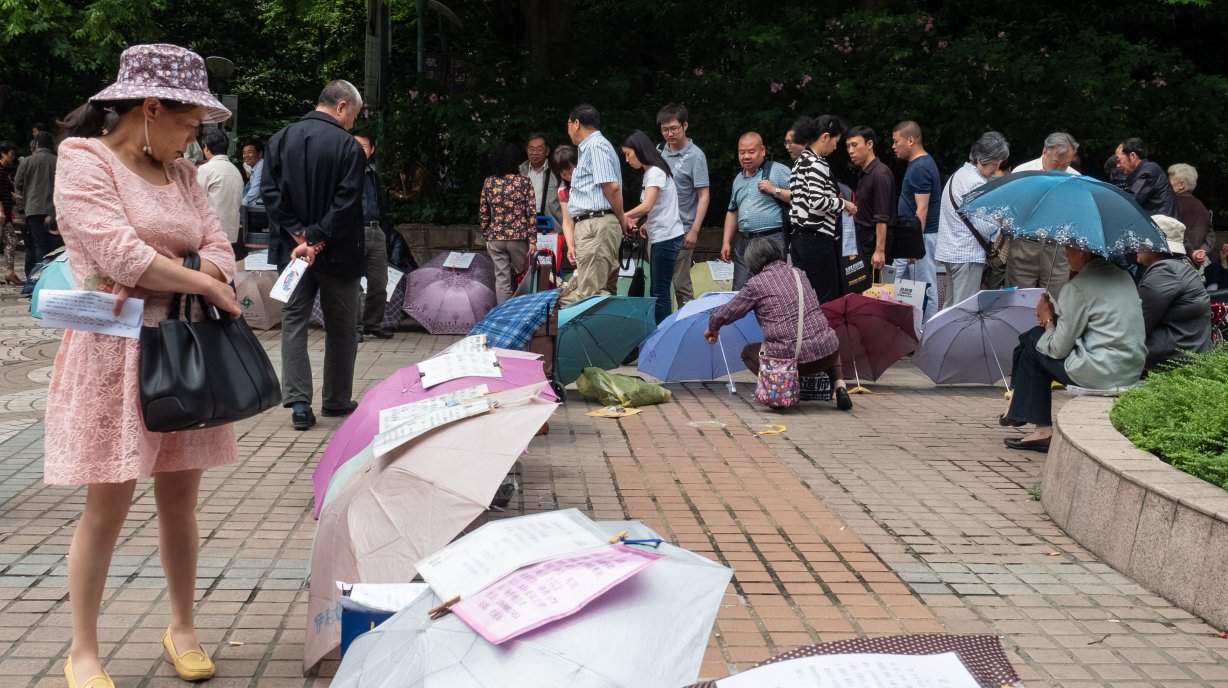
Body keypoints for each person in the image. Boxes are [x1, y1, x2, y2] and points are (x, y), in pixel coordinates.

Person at [48, 43, 243, 688]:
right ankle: (83, 650)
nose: (194, 140)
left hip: (185, 350)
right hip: (113, 353)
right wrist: (206, 284)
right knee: (107, 504)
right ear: (151, 108)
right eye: (189, 124)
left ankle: (182, 627)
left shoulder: (184, 175)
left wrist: (195, 275)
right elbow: (117, 253)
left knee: (181, 500)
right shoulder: (83, 162)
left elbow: (221, 247)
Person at [263, 79, 366, 431]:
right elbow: (347, 201)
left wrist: (299, 234)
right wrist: (317, 237)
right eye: (353, 114)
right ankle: (337, 400)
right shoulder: (348, 146)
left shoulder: (279, 139)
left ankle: (299, 404)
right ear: (340, 107)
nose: (353, 122)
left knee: (293, 323)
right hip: (337, 253)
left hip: (293, 253)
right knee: (342, 328)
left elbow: (269, 194)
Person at [1000, 247, 1146, 452]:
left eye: (1069, 251)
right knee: (1033, 342)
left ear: (1082, 252)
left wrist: (1047, 319)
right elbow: (1099, 324)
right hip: (1130, 367)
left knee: (1032, 340)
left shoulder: (1078, 287)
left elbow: (1058, 349)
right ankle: (1021, 409)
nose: (1066, 256)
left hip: (1098, 371)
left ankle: (1028, 415)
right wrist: (1058, 321)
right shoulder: (1124, 276)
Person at [705, 237, 852, 411]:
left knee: (747, 353)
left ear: (752, 262)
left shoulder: (756, 284)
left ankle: (780, 390)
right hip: (826, 355)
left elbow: (730, 310)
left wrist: (713, 326)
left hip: (789, 362)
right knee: (825, 337)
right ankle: (840, 386)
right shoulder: (799, 273)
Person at [557, 104, 628, 307]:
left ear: (576, 124)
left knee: (590, 293)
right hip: (596, 224)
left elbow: (611, 187)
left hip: (595, 223)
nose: (568, 128)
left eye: (569, 124)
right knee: (600, 289)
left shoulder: (595, 145)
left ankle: (588, 338)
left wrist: (621, 217)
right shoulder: (591, 147)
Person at [935, 132, 1011, 307]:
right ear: (983, 159)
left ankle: (944, 335)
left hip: (952, 251)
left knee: (951, 306)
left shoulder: (960, 175)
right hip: (966, 254)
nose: (996, 169)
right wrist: (1000, 221)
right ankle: (960, 336)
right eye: (995, 164)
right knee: (964, 308)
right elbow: (984, 227)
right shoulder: (975, 183)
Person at [788, 115, 854, 303]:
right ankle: (829, 333)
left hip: (798, 239)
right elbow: (817, 202)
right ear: (825, 137)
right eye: (835, 141)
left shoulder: (800, 162)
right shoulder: (817, 164)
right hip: (817, 239)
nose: (835, 147)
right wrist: (844, 204)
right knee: (828, 296)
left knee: (804, 297)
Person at [623, 130, 685, 323]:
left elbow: (647, 205)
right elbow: (660, 206)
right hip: (663, 235)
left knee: (660, 291)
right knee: (658, 289)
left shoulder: (655, 172)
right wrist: (647, 222)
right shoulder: (653, 171)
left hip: (666, 237)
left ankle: (661, 334)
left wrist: (622, 216)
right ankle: (661, 332)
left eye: (628, 154)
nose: (627, 160)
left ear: (639, 150)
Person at [1135, 215, 1213, 369]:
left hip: (1171, 362)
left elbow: (1137, 325)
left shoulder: (1166, 272)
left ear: (1156, 245)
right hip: (1186, 356)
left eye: (1142, 237)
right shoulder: (1181, 265)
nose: (1137, 243)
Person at [1010, 132, 1080, 297]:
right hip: (1025, 244)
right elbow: (1010, 209)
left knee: (1055, 302)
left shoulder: (1075, 179)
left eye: (1066, 164)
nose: (1061, 169)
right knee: (1019, 298)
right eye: (1056, 163)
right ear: (1044, 151)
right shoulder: (1023, 172)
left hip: (1057, 249)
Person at [720, 132, 791, 290]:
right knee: (740, 291)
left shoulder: (778, 170)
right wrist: (726, 241)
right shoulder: (738, 179)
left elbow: (801, 197)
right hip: (744, 241)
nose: (746, 156)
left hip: (771, 239)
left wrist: (775, 190)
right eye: (742, 152)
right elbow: (732, 211)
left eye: (751, 152)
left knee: (773, 290)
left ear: (763, 151)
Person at [656, 103, 710, 309]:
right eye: (664, 129)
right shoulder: (659, 151)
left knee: (681, 285)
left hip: (682, 229)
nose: (668, 134)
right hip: (659, 228)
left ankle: (689, 327)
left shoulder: (696, 156)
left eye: (673, 128)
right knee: (659, 286)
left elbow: (704, 195)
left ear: (685, 126)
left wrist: (694, 230)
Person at [890, 121, 941, 321]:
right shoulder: (918, 165)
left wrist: (914, 246)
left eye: (896, 141)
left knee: (925, 286)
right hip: (915, 236)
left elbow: (923, 208)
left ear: (910, 140)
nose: (893, 146)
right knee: (908, 285)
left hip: (922, 236)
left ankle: (928, 335)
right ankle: (916, 333)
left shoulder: (920, 168)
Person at [480, 141, 537, 304]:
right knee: (524, 276)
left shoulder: (489, 182)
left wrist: (487, 235)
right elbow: (531, 213)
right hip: (519, 238)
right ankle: (521, 312)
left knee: (502, 280)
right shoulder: (524, 182)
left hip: (495, 238)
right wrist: (532, 240)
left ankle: (504, 316)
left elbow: (484, 212)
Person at [354, 130, 396, 338]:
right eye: (354, 146)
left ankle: (373, 325)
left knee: (379, 282)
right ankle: (355, 328)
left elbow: (382, 205)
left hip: (376, 230)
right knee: (353, 283)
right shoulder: (344, 174)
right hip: (354, 231)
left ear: (372, 150)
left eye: (362, 146)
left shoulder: (373, 175)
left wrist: (384, 231)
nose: (358, 150)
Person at [846, 125, 894, 275]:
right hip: (863, 239)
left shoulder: (880, 174)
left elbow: (881, 217)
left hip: (874, 241)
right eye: (848, 146)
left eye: (854, 145)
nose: (850, 151)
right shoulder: (866, 172)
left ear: (869, 144)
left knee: (875, 290)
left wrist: (879, 251)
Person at [14, 130, 59, 277]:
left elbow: (18, 184)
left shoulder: (27, 161)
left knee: (39, 244)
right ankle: (53, 276)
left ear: (37, 144)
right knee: (55, 245)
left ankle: (39, 278)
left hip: (33, 209)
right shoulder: (58, 161)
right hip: (54, 210)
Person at [196, 128, 243, 248]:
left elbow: (195, 200)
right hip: (231, 232)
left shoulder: (205, 169)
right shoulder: (235, 170)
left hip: (211, 232)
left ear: (206, 147)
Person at [1116, 137, 1177, 217]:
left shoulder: (1148, 171)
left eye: (1118, 160)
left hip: (1161, 225)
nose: (1117, 165)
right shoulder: (1146, 170)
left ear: (1133, 156)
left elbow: (1130, 201)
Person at [1167, 163, 1214, 268]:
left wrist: (1192, 252)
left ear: (1181, 185)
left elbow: (1175, 232)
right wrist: (1202, 251)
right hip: (1193, 267)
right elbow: (1211, 235)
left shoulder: (1173, 204)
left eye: (1170, 180)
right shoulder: (1201, 206)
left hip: (1174, 264)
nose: (1167, 183)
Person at [519, 133, 563, 229]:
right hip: (524, 225)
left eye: (539, 149)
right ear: (527, 150)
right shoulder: (520, 171)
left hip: (552, 224)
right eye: (531, 149)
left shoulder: (557, 171)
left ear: (547, 151)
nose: (534, 153)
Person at [550, 144, 577, 267]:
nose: (567, 174)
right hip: (580, 233)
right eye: (562, 172)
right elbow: (567, 221)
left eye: (569, 169)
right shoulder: (563, 189)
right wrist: (571, 246)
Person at [0, 140, 20, 284]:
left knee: (9, 241)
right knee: (11, 241)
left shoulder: (2, 171)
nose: (13, 156)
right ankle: (9, 272)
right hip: (2, 214)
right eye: (11, 153)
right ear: (3, 153)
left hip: (5, 213)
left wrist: (11, 195)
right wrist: (1, 210)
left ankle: (10, 271)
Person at [241, 139, 265, 206]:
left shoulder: (262, 166)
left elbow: (254, 192)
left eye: (250, 152)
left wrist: (239, 205)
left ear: (260, 153)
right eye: (244, 153)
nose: (246, 156)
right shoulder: (255, 167)